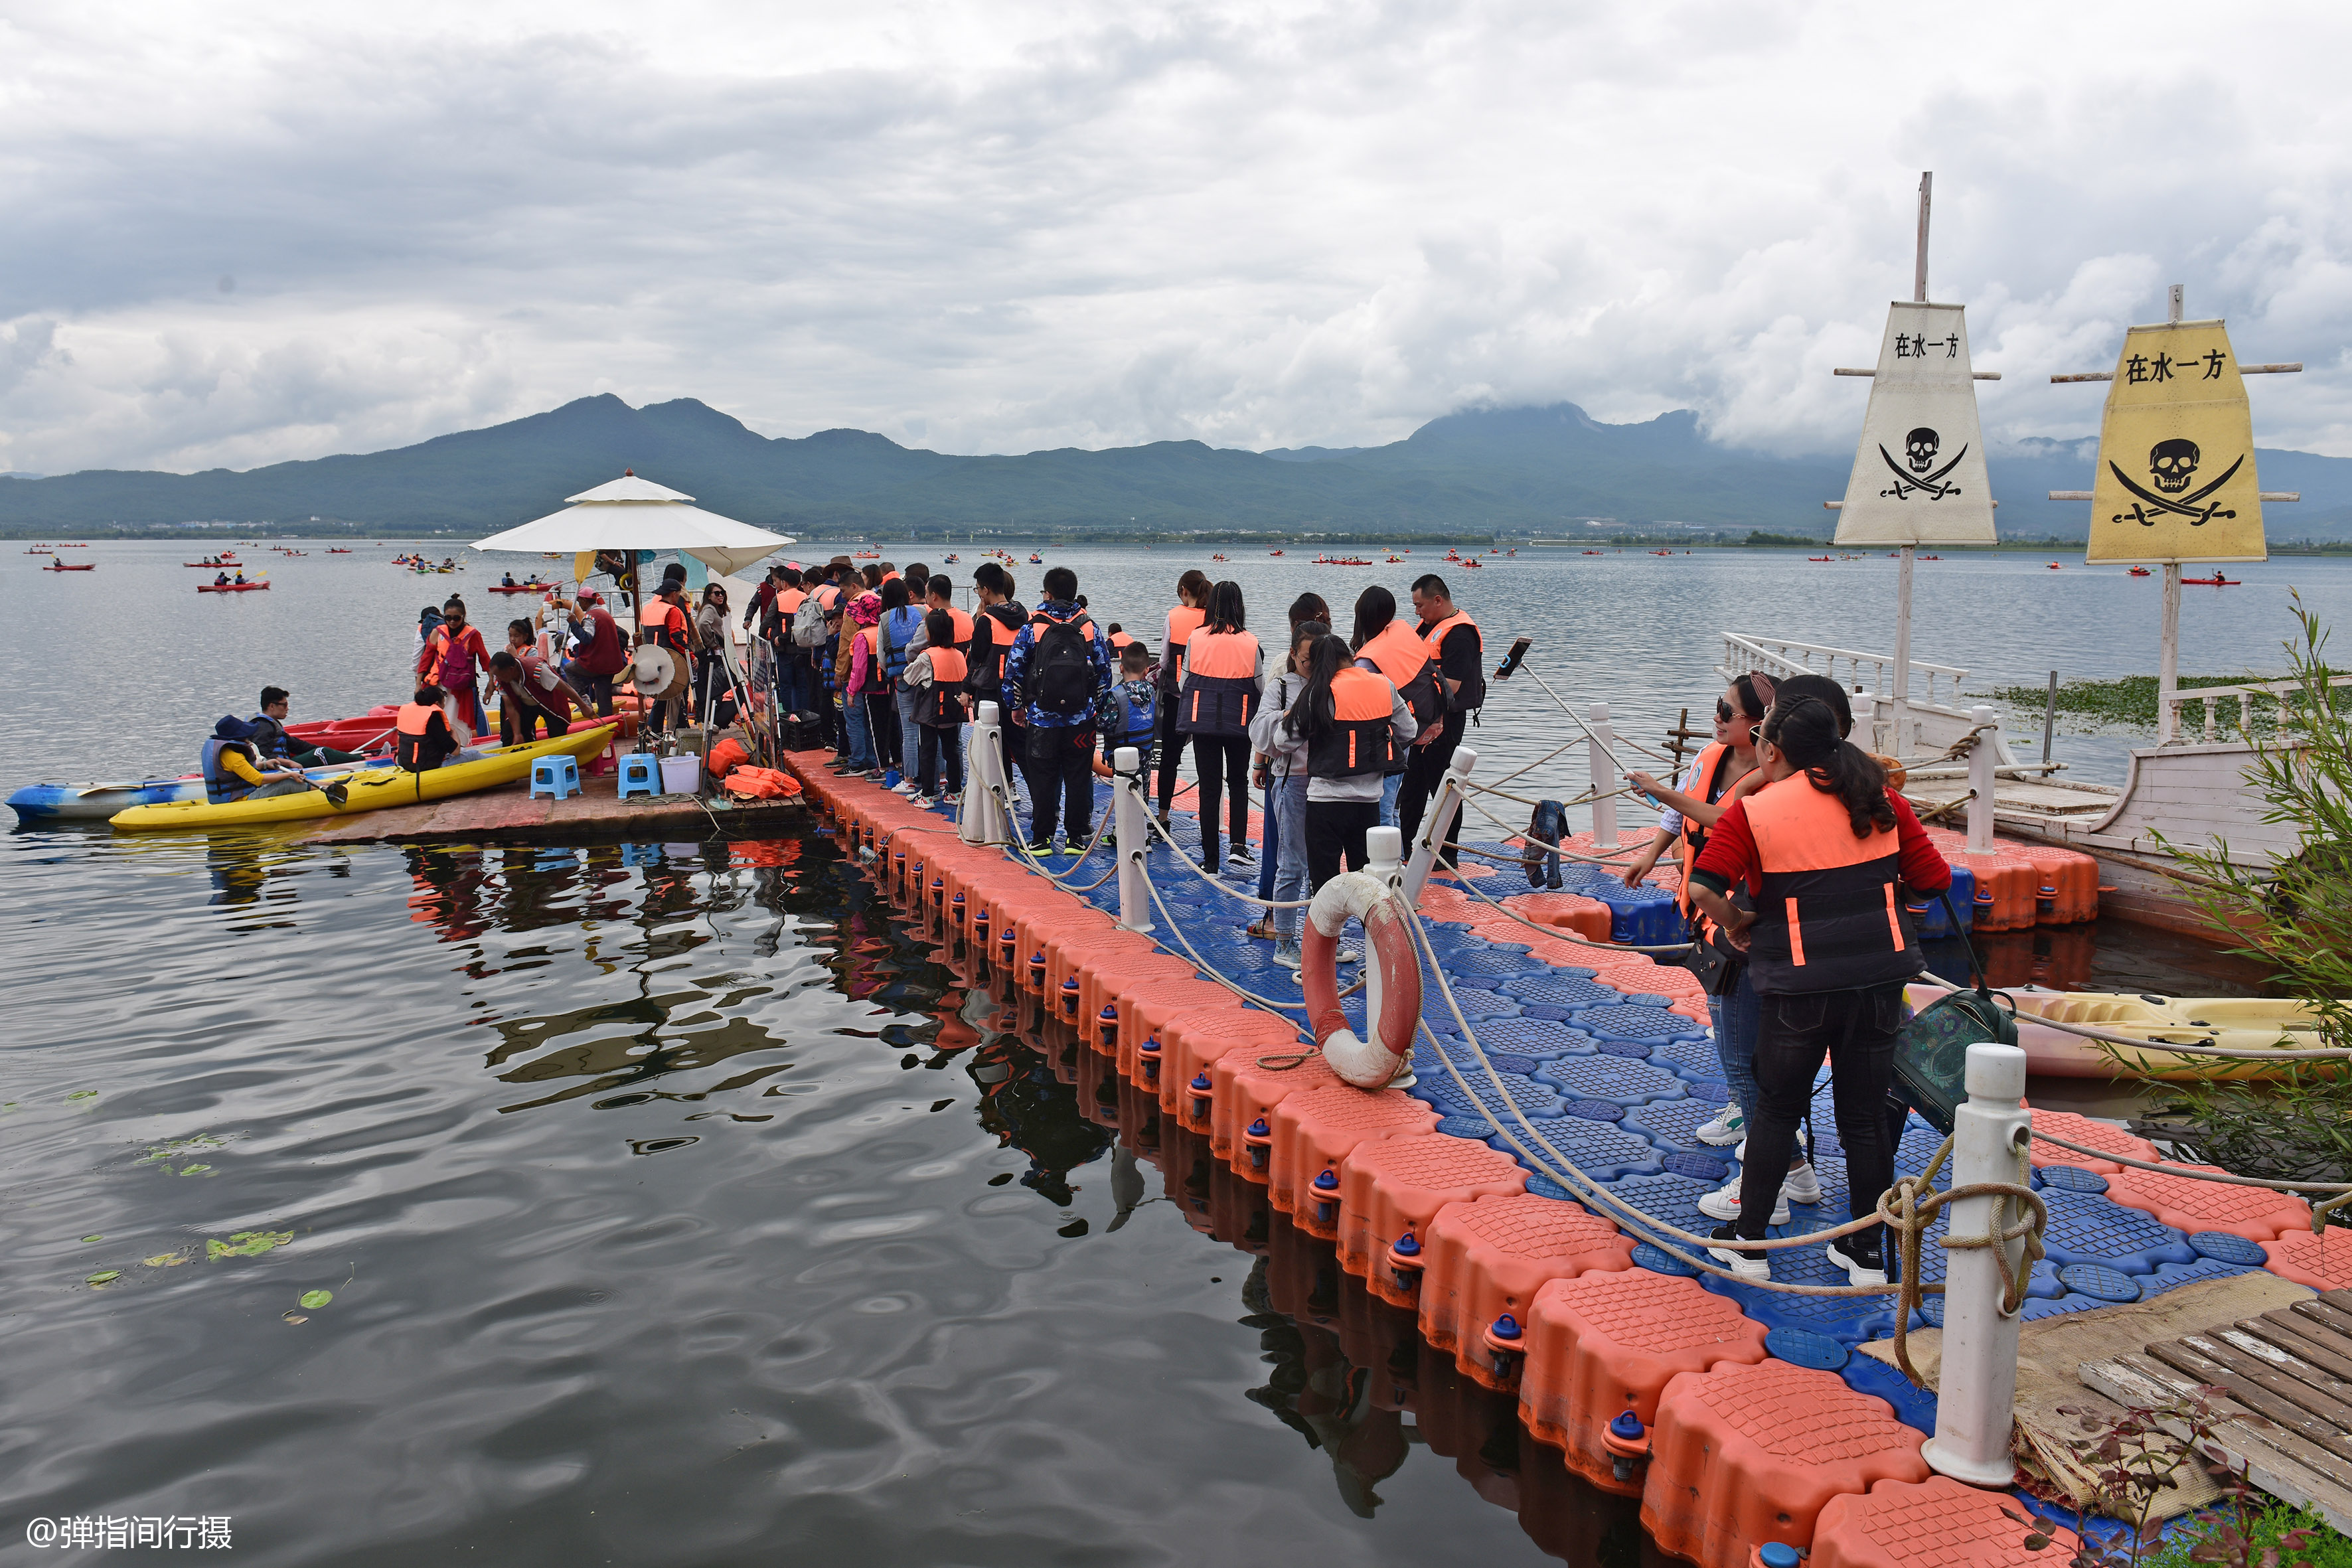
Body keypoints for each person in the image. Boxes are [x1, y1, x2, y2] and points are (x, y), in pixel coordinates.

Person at [1687, 695, 1950, 1289]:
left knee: (1777, 1108)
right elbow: (1934, 882)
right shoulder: (1880, 797)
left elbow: (1704, 888)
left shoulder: (1755, 811)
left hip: (1800, 985)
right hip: (1880, 981)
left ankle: (1749, 1243)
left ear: (1772, 749)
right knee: (1863, 1116)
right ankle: (1864, 1250)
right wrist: (1883, 905)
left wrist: (1736, 923)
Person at [1623, 674, 1776, 1176]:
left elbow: (1717, 817)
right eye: (1716, 706)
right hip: (1704, 908)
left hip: (1743, 915)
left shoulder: (1772, 778)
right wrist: (1649, 858)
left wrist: (1657, 791)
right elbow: (1680, 817)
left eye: (1724, 710)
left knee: (1748, 1027)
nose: (1715, 717)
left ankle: (1775, 1134)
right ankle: (1743, 1105)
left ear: (1758, 727)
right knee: (1725, 1019)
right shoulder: (1708, 758)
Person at [1288, 631, 1417, 892]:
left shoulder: (1319, 693)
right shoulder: (1384, 685)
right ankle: (1371, 932)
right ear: (1350, 656)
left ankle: (1328, 934)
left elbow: (1283, 739)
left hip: (1324, 805)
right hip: (1368, 805)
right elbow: (1409, 731)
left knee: (1323, 891)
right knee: (1370, 889)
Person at [1002, 565, 1111, 853]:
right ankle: (1075, 838)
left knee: (1043, 777)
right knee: (1078, 775)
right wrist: (1095, 708)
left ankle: (1041, 838)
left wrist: (1017, 708)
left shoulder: (1033, 627)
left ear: (1047, 594)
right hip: (1081, 720)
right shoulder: (1089, 627)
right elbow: (1104, 673)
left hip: (1041, 719)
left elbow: (1013, 672)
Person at [1249, 593, 1330, 934]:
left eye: (1317, 658)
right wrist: (1289, 717)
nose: (1309, 664)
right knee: (1291, 862)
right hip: (1291, 781)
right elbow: (1259, 730)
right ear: (1293, 654)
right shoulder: (1282, 684)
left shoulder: (1337, 683)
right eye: (1305, 657)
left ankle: (1320, 940)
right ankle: (1284, 938)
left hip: (1329, 783)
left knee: (1322, 868)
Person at [1397, 574, 1483, 870]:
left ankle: (1448, 855)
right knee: (1411, 787)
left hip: (1444, 722)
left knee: (1443, 787)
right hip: (1419, 720)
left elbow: (1454, 685)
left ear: (1438, 600)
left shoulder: (1460, 634)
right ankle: (1405, 849)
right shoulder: (1428, 627)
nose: (1416, 612)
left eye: (1420, 605)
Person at [1176, 580, 1262, 875]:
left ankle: (1210, 857)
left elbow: (1184, 682)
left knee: (1209, 788)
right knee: (1238, 782)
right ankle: (1238, 846)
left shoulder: (1196, 638)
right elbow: (1260, 687)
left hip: (1204, 721)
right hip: (1239, 723)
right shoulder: (1251, 642)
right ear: (1240, 606)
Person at [1350, 586, 1443, 828]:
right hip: (1411, 729)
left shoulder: (1366, 660)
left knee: (1381, 809)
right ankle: (1399, 860)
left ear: (1361, 615)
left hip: (1386, 746)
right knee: (1392, 808)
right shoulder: (1402, 630)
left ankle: (1387, 864)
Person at [1154, 570, 1213, 827]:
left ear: (1183, 591)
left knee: (1169, 759)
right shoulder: (1214, 618)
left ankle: (1164, 817)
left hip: (1177, 696)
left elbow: (1165, 660)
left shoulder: (1173, 616)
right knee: (1208, 762)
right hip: (1207, 698)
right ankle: (1210, 823)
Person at [967, 562, 1026, 785]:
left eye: (978, 589)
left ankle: (1000, 790)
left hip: (991, 691)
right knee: (1021, 746)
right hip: (1018, 690)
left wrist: (979, 621)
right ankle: (1043, 803)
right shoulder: (1025, 615)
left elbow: (977, 657)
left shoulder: (986, 620)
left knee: (992, 745)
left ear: (985, 590)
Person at [903, 608, 968, 803]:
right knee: (953, 751)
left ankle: (929, 795)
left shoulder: (928, 656)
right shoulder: (959, 654)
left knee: (929, 752)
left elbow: (909, 677)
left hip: (932, 714)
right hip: (954, 712)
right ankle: (955, 792)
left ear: (931, 633)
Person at [491, 619, 587, 743]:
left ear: (510, 670)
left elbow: (565, 687)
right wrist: (517, 734)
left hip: (549, 701)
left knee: (557, 731)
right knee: (509, 734)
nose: (499, 679)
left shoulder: (537, 669)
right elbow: (510, 707)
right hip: (526, 703)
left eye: (501, 675)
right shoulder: (502, 679)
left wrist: (583, 707)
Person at [416, 595, 491, 738]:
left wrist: (491, 687)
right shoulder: (437, 632)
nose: (452, 621)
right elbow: (425, 660)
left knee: (457, 722)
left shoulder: (473, 635)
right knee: (437, 719)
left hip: (462, 689)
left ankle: (459, 747)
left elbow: (485, 661)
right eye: (448, 617)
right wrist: (418, 684)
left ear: (463, 616)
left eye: (456, 618)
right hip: (438, 684)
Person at [200, 716, 314, 803]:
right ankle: (326, 789)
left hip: (228, 797)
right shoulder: (233, 756)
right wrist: (290, 775)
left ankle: (324, 785)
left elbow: (241, 770)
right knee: (287, 783)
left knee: (281, 775)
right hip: (240, 800)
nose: (248, 737)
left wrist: (265, 764)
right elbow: (259, 780)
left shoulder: (226, 752)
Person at [880, 576, 926, 781]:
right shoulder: (923, 612)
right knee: (930, 730)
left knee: (909, 732)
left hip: (902, 678)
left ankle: (908, 780)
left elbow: (882, 658)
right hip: (926, 676)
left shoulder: (884, 619)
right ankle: (939, 777)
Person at [248, 687, 364, 766]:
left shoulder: (272, 724)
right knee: (322, 753)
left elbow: (296, 745)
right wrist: (289, 763)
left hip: (283, 765)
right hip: (277, 769)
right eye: (284, 705)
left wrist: (323, 750)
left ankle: (353, 758)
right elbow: (262, 754)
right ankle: (363, 761)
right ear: (272, 706)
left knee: (320, 751)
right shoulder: (262, 726)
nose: (287, 709)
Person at [640, 580, 695, 736]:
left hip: (651, 658)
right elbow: (676, 637)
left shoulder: (648, 609)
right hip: (671, 659)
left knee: (661, 696)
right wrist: (690, 655)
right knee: (678, 694)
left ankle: (655, 730)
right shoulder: (672, 611)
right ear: (674, 594)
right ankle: (679, 730)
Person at [840, 590, 885, 775]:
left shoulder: (862, 637)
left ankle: (858, 761)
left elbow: (858, 669)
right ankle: (875, 760)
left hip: (864, 688)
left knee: (855, 721)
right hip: (884, 689)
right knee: (876, 726)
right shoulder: (884, 631)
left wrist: (851, 691)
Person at [562, 592, 626, 717]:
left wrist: (573, 623)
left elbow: (586, 638)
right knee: (604, 696)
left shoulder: (590, 617)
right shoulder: (605, 614)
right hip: (611, 664)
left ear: (585, 601)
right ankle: (607, 722)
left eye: (580, 602)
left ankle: (584, 702)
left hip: (596, 663)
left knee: (569, 669)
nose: (580, 605)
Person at [1097, 641, 1158, 772]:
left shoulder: (1116, 696)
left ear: (1121, 668)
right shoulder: (1151, 691)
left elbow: (1105, 726)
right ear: (1147, 670)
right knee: (1143, 790)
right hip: (1146, 754)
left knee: (1123, 790)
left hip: (1122, 757)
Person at [394, 685, 485, 771]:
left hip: (405, 762)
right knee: (473, 755)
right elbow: (456, 751)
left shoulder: (414, 714)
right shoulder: (433, 718)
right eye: (444, 701)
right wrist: (454, 733)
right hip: (426, 766)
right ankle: (499, 761)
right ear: (437, 704)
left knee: (463, 752)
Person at [693, 584, 732, 727]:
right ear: (709, 596)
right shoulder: (709, 608)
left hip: (707, 655)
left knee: (707, 685)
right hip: (710, 655)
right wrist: (712, 643)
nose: (721, 595)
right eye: (716, 593)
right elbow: (703, 624)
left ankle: (709, 718)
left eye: (722, 592)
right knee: (721, 683)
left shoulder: (709, 608)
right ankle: (715, 718)